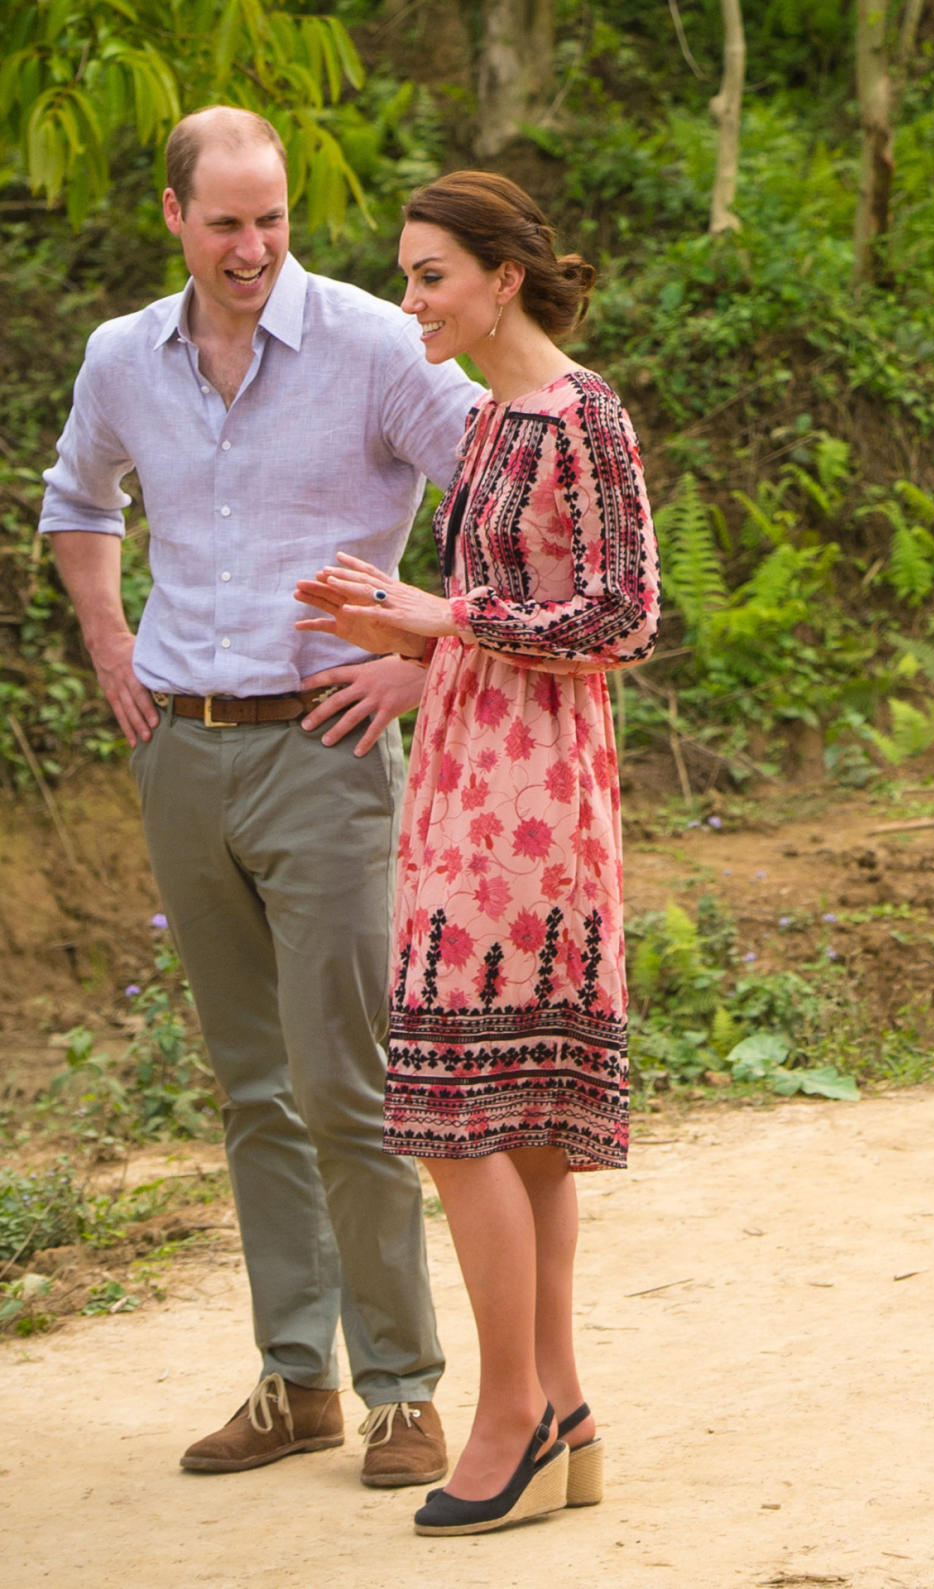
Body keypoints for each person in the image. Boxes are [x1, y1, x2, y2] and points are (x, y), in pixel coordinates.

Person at [38, 107, 483, 1487]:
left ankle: (403, 1387)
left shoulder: (368, 342)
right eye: (226, 221)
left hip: (328, 750)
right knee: (250, 1088)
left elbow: (517, 503)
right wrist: (112, 642)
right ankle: (299, 1380)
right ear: (173, 217)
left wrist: (428, 661)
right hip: (182, 750)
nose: (254, 246)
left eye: (273, 217)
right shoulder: (123, 356)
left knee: (345, 1083)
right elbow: (77, 500)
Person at [294, 170, 661, 1535]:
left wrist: (438, 612)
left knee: (464, 1116)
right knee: (520, 1130)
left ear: (504, 277)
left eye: (431, 273)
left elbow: (622, 614)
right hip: (466, 772)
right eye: (405, 274)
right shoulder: (494, 422)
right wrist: (392, 627)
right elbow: (502, 609)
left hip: (533, 799)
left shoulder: (583, 416)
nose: (411, 299)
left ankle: (507, 1415)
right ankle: (557, 1406)